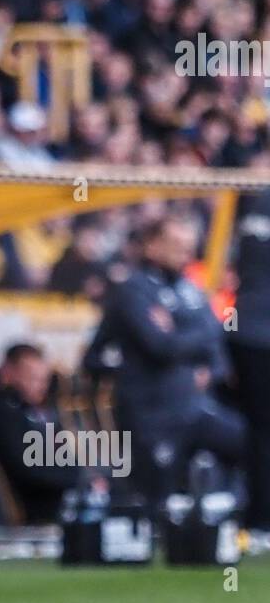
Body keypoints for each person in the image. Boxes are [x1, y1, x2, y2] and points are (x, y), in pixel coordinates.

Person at [84, 216, 245, 509]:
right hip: (153, 416)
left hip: (194, 408)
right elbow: (160, 346)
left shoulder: (188, 288)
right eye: (176, 245)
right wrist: (197, 336)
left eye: (188, 247)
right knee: (154, 502)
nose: (184, 253)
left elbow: (216, 340)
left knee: (250, 442)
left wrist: (204, 362)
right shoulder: (133, 289)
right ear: (152, 245)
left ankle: (237, 516)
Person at [0, 344, 79, 524]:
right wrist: (70, 479)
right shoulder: (1, 410)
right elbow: (23, 465)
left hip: (55, 495)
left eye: (43, 380)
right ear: (8, 373)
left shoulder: (39, 412)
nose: (40, 387)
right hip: (31, 504)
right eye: (31, 378)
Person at [226, 188, 270, 547]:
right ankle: (260, 519)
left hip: (245, 330)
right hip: (256, 329)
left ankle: (258, 519)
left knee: (258, 432)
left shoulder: (254, 201)